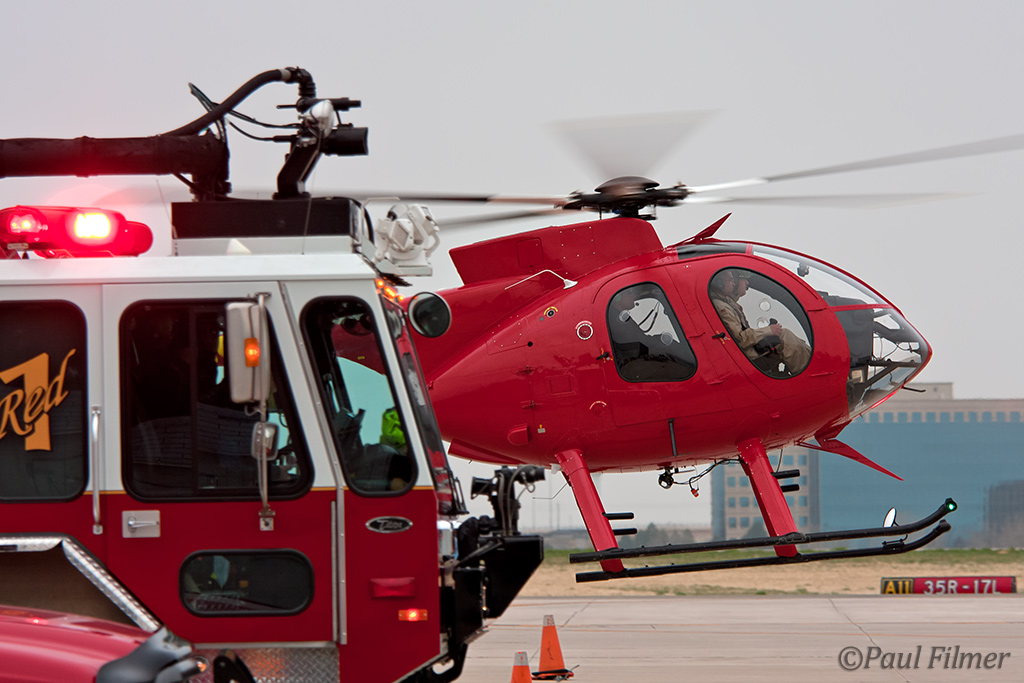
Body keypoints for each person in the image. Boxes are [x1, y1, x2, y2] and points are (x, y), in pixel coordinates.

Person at [710, 270, 811, 374]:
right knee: (784, 336)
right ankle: (809, 372)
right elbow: (740, 340)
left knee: (783, 335)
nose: (734, 283)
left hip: (749, 351)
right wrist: (768, 331)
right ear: (720, 283)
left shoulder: (727, 303)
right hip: (749, 356)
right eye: (731, 280)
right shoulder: (722, 307)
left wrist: (767, 332)